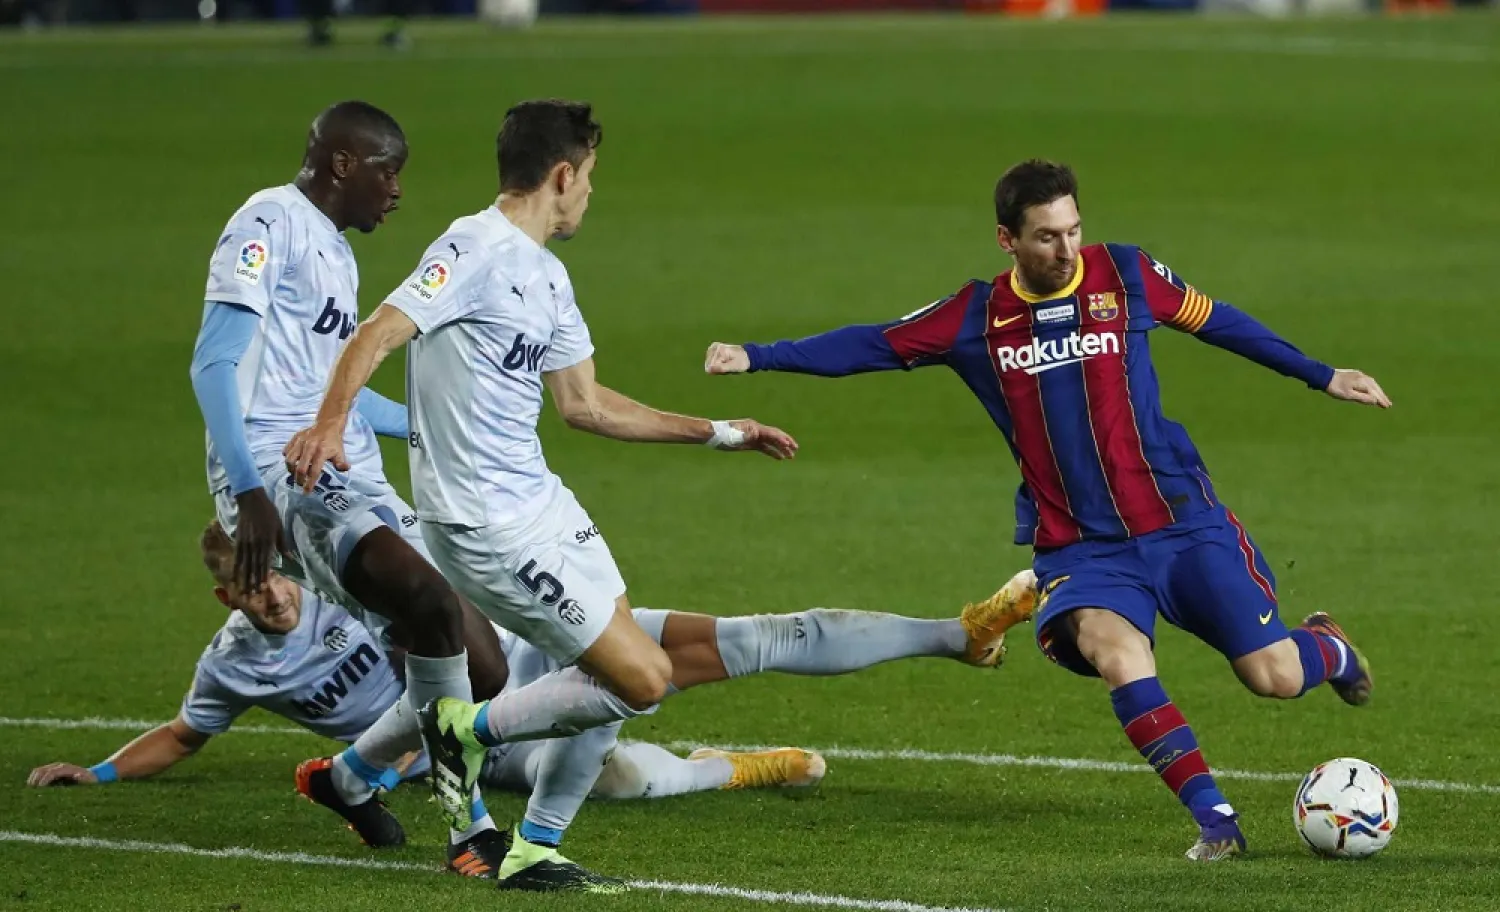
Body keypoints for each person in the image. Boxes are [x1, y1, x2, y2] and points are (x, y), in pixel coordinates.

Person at [700, 159, 1392, 862]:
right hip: (1083, 547)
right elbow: (874, 344)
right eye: (1045, 237)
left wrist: (1322, 374)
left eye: (1073, 230)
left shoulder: (1124, 276)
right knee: (1120, 655)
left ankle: (1328, 647)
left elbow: (1218, 322)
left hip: (1182, 520)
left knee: (1272, 676)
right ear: (1007, 239)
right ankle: (1216, 820)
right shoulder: (975, 318)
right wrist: (757, 357)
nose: (1066, 250)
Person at [282, 98, 871, 890]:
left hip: (545, 506)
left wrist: (720, 431)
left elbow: (586, 406)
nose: (591, 192)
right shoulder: (473, 246)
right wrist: (328, 424)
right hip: (484, 526)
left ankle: (532, 842)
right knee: (643, 678)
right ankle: (465, 732)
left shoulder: (548, 279)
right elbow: (377, 331)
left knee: (626, 680)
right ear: (562, 175)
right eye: (589, 176)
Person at [188, 100, 514, 865]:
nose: (397, 191)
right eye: (388, 172)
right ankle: (470, 830)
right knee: (429, 605)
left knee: (486, 667)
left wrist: (440, 427)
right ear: (343, 164)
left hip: (348, 467)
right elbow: (213, 361)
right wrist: (247, 490)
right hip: (280, 470)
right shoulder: (265, 224)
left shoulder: (336, 251)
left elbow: (339, 392)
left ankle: (349, 776)